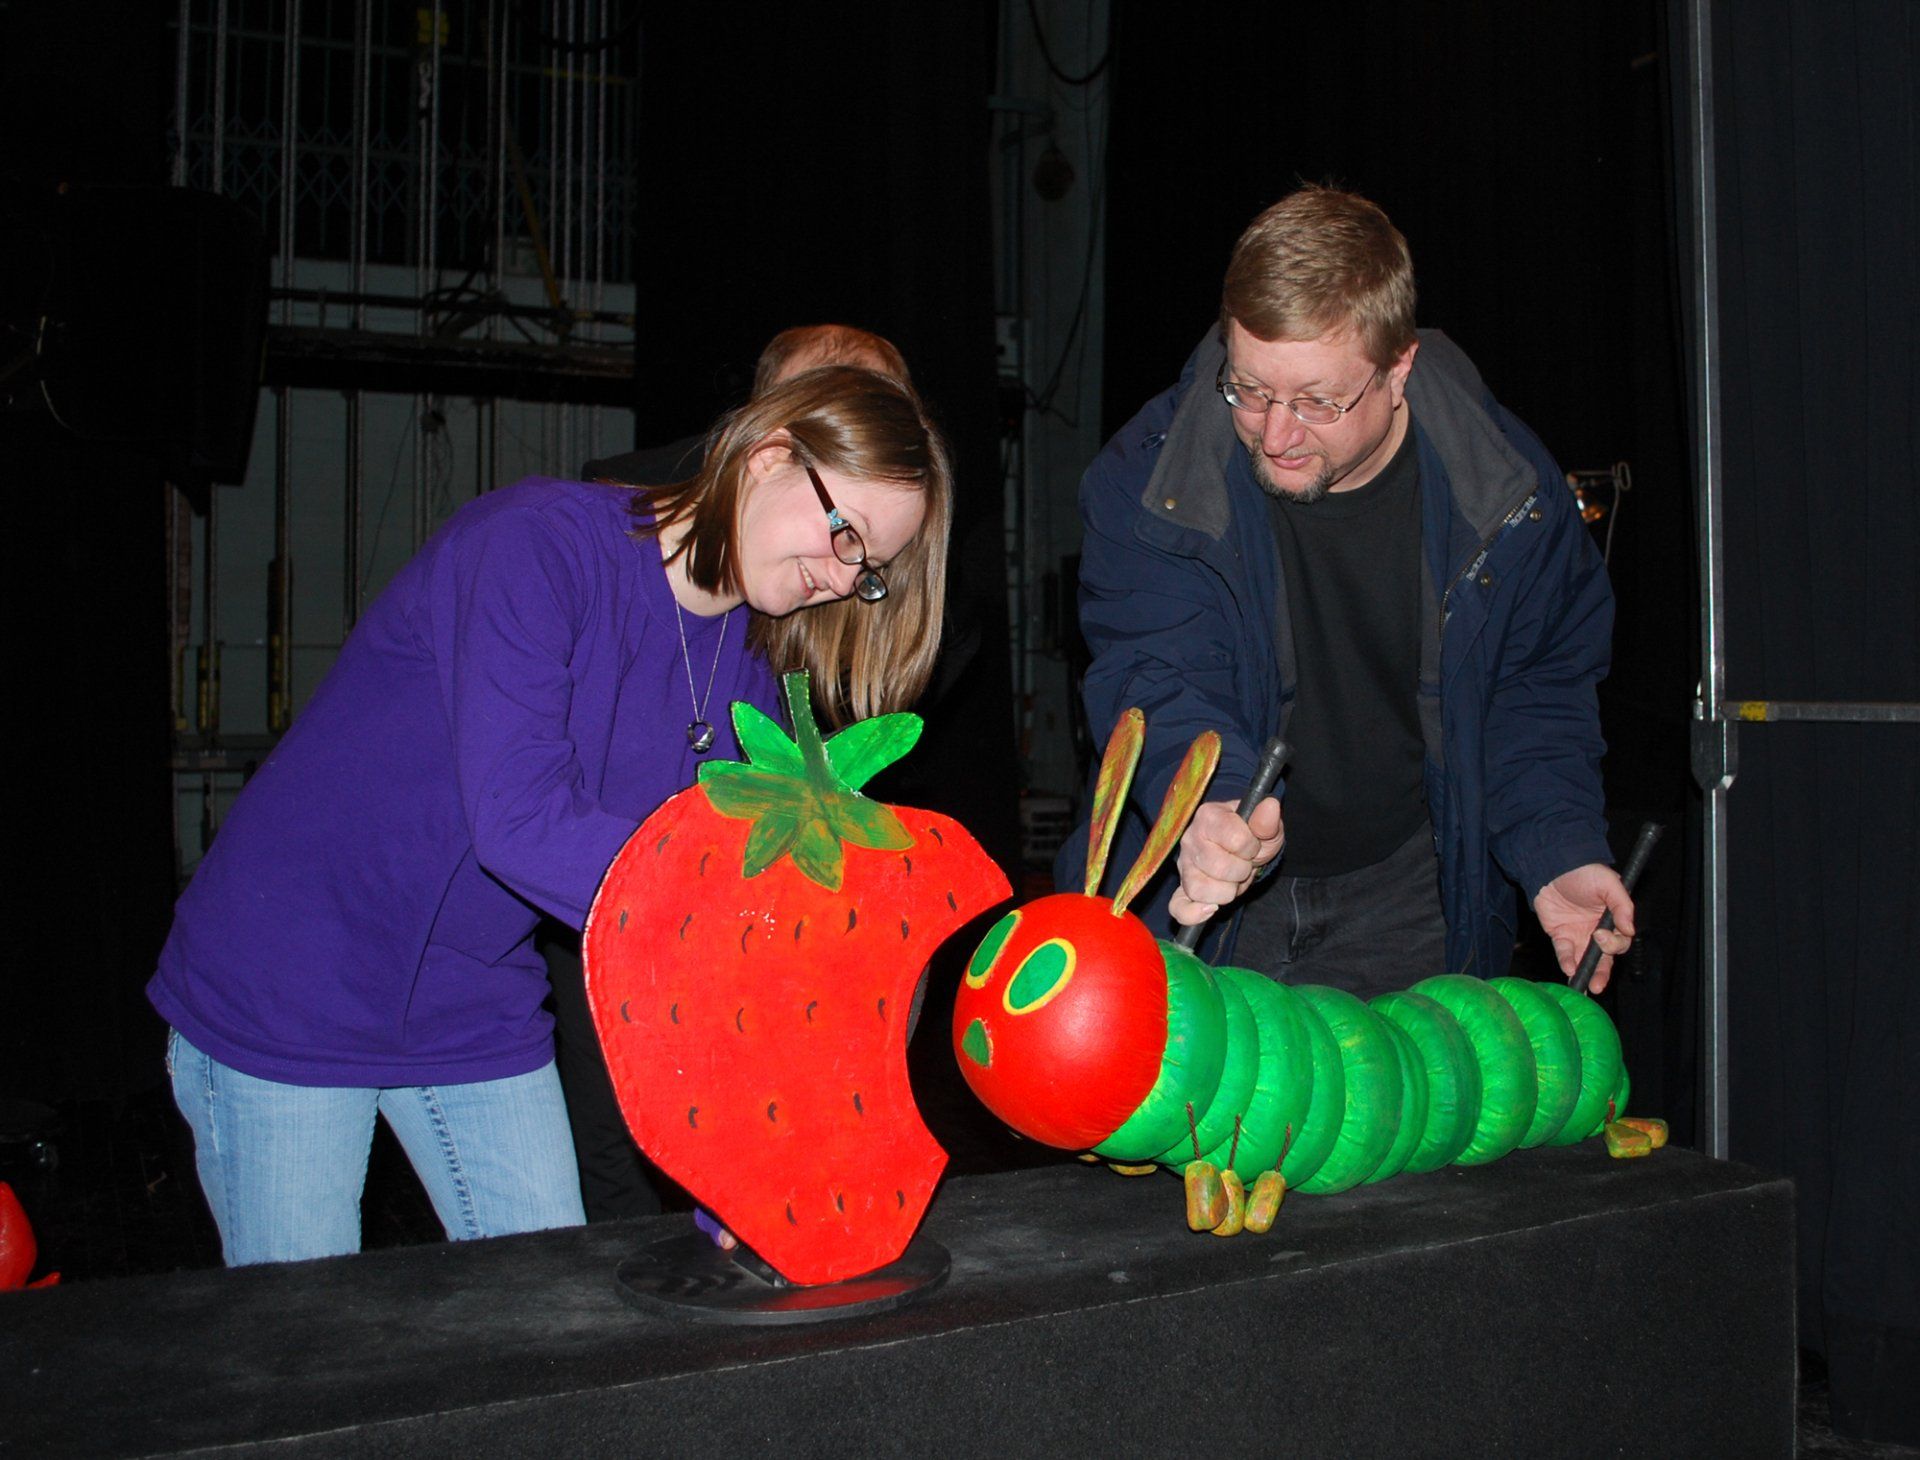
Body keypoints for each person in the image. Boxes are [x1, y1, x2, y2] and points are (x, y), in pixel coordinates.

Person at [150, 364, 953, 1265]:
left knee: (550, 1318)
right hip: (294, 974)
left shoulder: (756, 669)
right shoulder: (536, 545)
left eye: (870, 570)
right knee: (305, 1352)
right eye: (846, 534)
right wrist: (746, 926)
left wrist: (747, 1177)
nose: (845, 580)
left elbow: (733, 920)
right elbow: (525, 825)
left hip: (472, 991)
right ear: (768, 457)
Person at [1058, 185, 1633, 1000]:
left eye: (1319, 402)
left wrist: (1559, 848)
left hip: (1406, 903)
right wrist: (1211, 807)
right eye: (1249, 389)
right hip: (1211, 894)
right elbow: (1158, 675)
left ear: (1399, 368)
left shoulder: (1506, 489)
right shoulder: (1149, 480)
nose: (1277, 432)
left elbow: (1536, 689)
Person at [553, 322, 915, 1223]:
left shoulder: (870, 560)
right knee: (616, 1161)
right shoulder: (608, 516)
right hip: (597, 888)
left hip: (748, 902)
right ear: (767, 433)